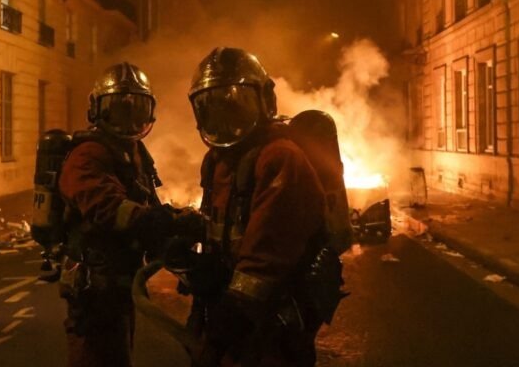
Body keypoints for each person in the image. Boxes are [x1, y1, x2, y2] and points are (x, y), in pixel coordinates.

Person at [186, 47, 328, 367]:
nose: (224, 120)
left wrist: (230, 317)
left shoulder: (280, 158)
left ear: (265, 101)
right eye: (213, 108)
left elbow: (267, 251)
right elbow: (220, 228)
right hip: (231, 313)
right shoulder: (218, 162)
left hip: (270, 324)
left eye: (234, 105)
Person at [58, 62, 186, 367]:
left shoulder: (135, 152)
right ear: (98, 110)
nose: (128, 119)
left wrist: (175, 224)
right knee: (96, 356)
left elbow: (146, 200)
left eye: (136, 108)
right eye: (118, 109)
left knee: (118, 354)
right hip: (95, 285)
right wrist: (150, 222)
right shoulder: (87, 155)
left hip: (119, 282)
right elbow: (106, 206)